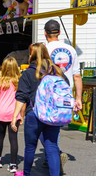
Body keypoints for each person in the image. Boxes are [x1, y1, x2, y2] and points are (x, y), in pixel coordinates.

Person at [10, 43, 81, 176]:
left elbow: (21, 97)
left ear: (32, 55)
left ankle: (26, 174)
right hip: (53, 115)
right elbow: (65, 90)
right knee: (52, 146)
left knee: (30, 147)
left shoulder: (29, 73)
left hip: (34, 115)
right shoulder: (57, 71)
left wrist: (15, 117)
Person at [43, 19, 83, 174]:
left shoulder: (44, 49)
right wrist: (78, 98)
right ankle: (51, 156)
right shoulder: (71, 50)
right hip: (66, 95)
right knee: (56, 127)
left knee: (41, 128)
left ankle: (54, 154)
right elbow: (77, 76)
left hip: (48, 95)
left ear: (45, 33)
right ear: (59, 32)